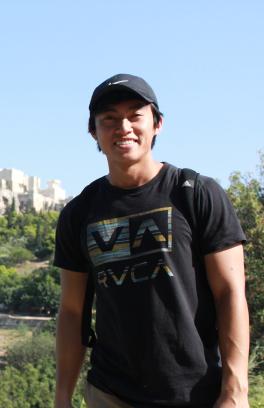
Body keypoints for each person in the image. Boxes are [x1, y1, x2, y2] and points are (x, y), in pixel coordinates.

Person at [54, 73, 250, 408]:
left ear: (157, 124)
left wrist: (235, 390)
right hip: (110, 393)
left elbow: (230, 293)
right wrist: (62, 397)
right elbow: (73, 312)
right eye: (110, 119)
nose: (123, 127)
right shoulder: (79, 213)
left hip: (196, 392)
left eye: (135, 115)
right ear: (94, 132)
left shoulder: (196, 194)